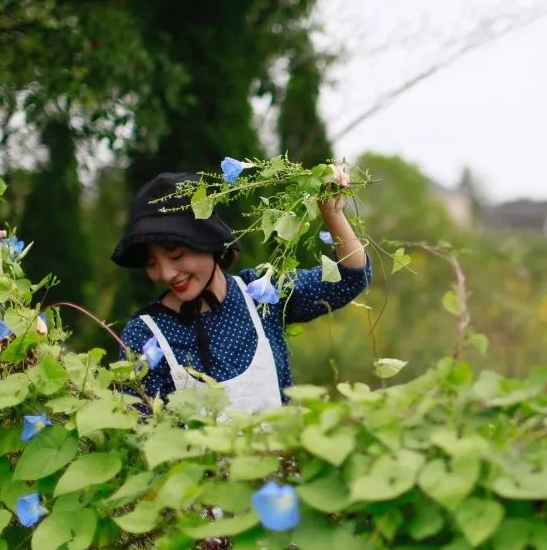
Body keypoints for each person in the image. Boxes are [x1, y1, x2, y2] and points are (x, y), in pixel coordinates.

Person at [112, 171, 371, 414]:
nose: (166, 274)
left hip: (282, 460)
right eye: (152, 264)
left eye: (176, 256)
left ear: (208, 243)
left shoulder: (259, 294)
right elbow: (141, 425)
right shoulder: (145, 333)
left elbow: (349, 278)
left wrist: (332, 214)